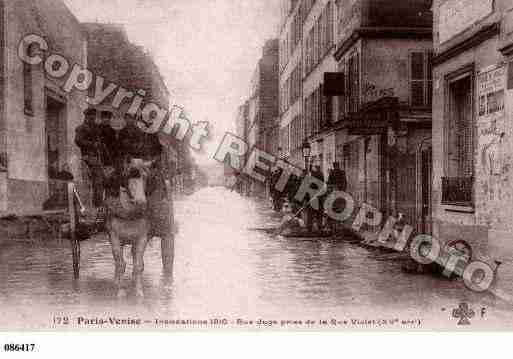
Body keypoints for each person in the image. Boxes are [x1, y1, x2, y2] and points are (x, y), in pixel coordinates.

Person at [75, 108, 105, 210]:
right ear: (86, 116)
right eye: (90, 116)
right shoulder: (81, 128)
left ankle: (97, 205)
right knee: (88, 183)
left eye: (94, 116)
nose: (92, 118)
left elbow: (100, 140)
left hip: (96, 158)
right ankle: (88, 206)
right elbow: (78, 141)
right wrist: (92, 144)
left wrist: (99, 144)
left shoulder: (96, 128)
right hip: (86, 158)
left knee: (98, 182)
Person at [326, 162, 347, 232]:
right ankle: (334, 225)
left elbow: (344, 183)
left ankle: (337, 225)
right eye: (335, 166)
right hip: (335, 193)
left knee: (339, 209)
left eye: (336, 166)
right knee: (335, 209)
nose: (335, 167)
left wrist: (342, 190)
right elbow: (329, 183)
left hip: (338, 193)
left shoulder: (340, 173)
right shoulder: (333, 173)